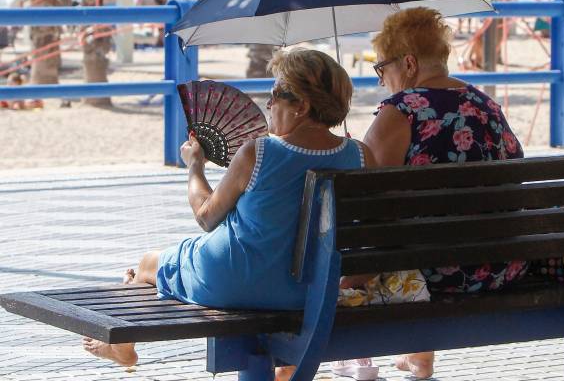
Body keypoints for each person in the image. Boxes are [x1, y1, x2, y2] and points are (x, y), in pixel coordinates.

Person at [81, 48, 374, 372]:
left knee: (149, 262)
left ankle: (121, 344)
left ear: (302, 106)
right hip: (308, 293)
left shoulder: (259, 151)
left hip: (230, 279)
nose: (268, 103)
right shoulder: (360, 156)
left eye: (276, 94)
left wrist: (195, 166)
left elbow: (207, 217)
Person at [359, 7, 528, 379]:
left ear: (408, 63)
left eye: (381, 68)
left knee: (366, 244)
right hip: (503, 266)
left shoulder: (399, 112)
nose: (381, 80)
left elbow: (369, 207)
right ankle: (418, 354)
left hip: (435, 275)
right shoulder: (487, 106)